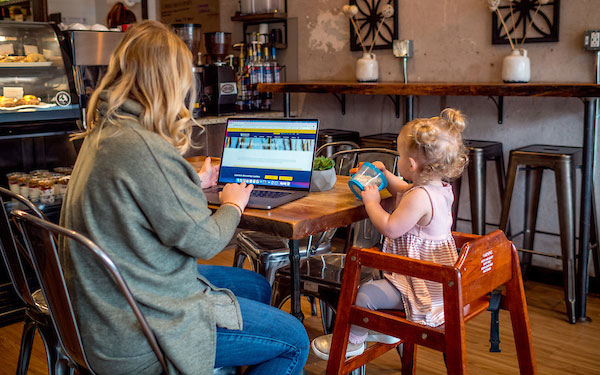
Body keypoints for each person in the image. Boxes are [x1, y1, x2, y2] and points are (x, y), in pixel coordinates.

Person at [60, 20, 308, 374]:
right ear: (170, 80)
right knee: (295, 341)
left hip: (108, 306)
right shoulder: (144, 147)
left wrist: (189, 178)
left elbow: (137, 195)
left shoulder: (109, 131)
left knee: (254, 284)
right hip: (138, 331)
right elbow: (205, 241)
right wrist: (233, 204)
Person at [311, 108, 468, 359]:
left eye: (401, 155)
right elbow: (404, 188)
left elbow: (390, 227)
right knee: (373, 283)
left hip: (418, 285)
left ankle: (353, 341)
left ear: (412, 164)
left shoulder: (419, 197)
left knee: (363, 295)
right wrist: (385, 175)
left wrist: (371, 201)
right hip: (435, 281)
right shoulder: (437, 189)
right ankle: (380, 329)